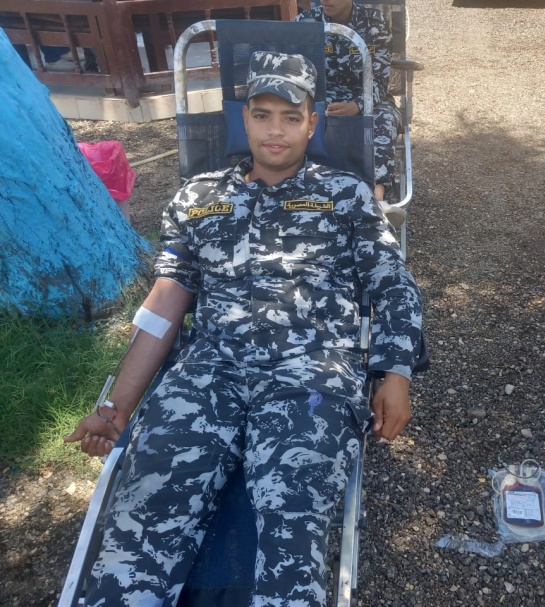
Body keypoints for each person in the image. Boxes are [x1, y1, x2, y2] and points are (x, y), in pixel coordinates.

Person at [65, 51, 423, 606]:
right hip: (208, 373)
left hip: (312, 375)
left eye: (290, 116)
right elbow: (165, 303)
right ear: (245, 119)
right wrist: (116, 409)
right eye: (262, 115)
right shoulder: (197, 198)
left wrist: (394, 373)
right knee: (146, 505)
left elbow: (393, 284)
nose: (275, 130)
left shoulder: (346, 195)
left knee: (293, 516)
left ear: (312, 123)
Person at [296, 0, 401, 207]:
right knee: (294, 117)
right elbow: (298, 74)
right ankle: (307, 193)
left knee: (384, 119)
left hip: (367, 96)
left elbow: (380, 81)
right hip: (319, 97)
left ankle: (377, 198)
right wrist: (319, 103)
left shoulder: (375, 23)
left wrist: (357, 105)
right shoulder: (305, 23)